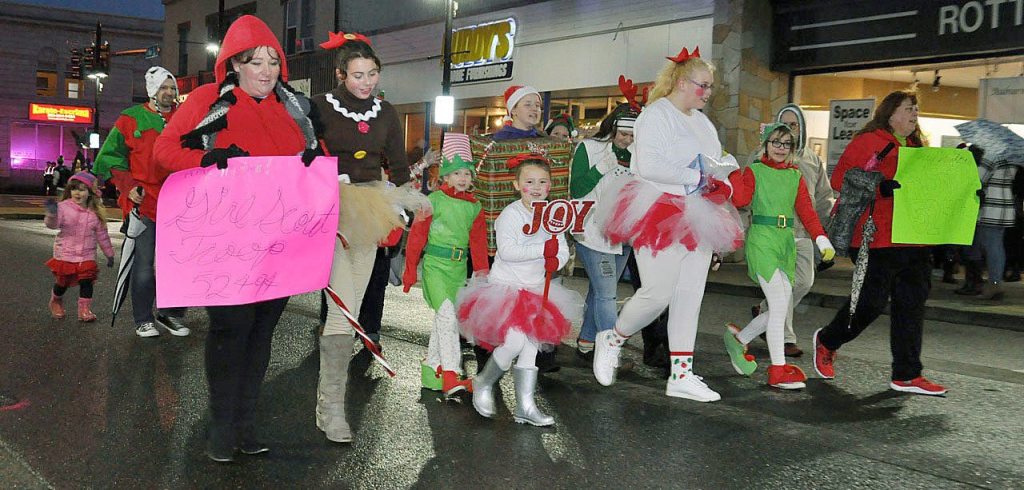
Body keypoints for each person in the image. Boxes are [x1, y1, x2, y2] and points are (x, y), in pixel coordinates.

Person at [153, 15, 321, 462]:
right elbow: (165, 151)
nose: (265, 71)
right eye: (254, 61)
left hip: (278, 248)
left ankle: (246, 423)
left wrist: (313, 162)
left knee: (262, 334)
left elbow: (318, 164)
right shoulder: (213, 100)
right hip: (226, 245)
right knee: (231, 331)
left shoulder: (294, 107)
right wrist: (208, 156)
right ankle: (221, 425)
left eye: (272, 61)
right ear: (233, 64)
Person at [589, 46, 743, 402]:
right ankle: (613, 336)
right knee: (656, 294)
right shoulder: (657, 114)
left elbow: (717, 162)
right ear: (682, 82)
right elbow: (649, 166)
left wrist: (726, 181)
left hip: (697, 211)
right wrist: (699, 178)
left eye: (710, 87)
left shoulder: (703, 122)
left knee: (691, 296)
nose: (707, 93)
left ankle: (681, 375)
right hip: (657, 209)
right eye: (703, 85)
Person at [311, 31, 426, 444]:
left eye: (372, 74)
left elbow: (397, 164)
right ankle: (333, 408)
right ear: (341, 74)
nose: (366, 82)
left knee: (352, 307)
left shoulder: (388, 112)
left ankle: (328, 404)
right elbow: (303, 152)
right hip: (328, 207)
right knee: (342, 308)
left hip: (369, 208)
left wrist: (402, 206)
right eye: (357, 75)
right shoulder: (320, 107)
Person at [812, 90, 947, 396]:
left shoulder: (917, 146)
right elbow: (840, 178)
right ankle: (828, 341)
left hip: (914, 239)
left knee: (911, 307)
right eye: (908, 108)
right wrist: (878, 185)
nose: (914, 114)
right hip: (875, 237)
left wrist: (962, 191)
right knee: (870, 303)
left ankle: (907, 374)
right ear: (890, 113)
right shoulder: (870, 141)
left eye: (916, 109)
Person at [457, 154, 581, 426]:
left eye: (543, 182)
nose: (536, 187)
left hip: (537, 290)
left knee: (531, 347)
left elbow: (561, 249)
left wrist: (556, 259)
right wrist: (542, 250)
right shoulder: (510, 215)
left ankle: (525, 405)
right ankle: (483, 382)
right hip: (508, 290)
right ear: (516, 185)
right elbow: (509, 252)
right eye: (529, 181)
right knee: (513, 341)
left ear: (550, 186)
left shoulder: (553, 215)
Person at [723, 124, 835, 389]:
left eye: (786, 144)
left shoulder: (795, 176)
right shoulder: (755, 170)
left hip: (785, 243)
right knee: (778, 304)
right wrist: (732, 172)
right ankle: (777, 369)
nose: (781, 148)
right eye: (776, 142)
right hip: (762, 240)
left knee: (780, 308)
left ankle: (739, 340)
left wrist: (821, 238)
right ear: (765, 144)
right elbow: (739, 200)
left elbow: (807, 212)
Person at [93, 66, 190, 338]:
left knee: (179, 264)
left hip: (180, 204)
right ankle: (143, 318)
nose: (169, 93)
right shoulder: (131, 119)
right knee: (144, 265)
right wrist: (129, 186)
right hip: (145, 203)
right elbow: (110, 157)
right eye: (163, 88)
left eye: (172, 88)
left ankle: (171, 314)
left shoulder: (184, 119)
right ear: (152, 91)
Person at [744, 104, 835, 357]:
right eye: (784, 126)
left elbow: (822, 198)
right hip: (771, 235)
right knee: (782, 290)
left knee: (803, 283)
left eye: (794, 126)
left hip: (802, 234)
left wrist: (823, 235)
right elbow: (745, 196)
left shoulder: (812, 160)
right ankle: (783, 344)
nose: (787, 136)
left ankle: (760, 316)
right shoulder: (759, 158)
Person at [403, 136, 489, 394]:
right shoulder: (433, 202)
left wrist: (481, 274)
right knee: (448, 317)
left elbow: (478, 243)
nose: (463, 178)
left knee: (444, 319)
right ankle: (452, 375)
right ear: (446, 177)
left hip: (458, 269)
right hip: (435, 268)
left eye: (467, 173)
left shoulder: (475, 207)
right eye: (456, 173)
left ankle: (432, 370)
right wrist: (409, 272)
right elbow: (416, 238)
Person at [569, 104, 637, 360]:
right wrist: (599, 170)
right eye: (623, 135)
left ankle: (587, 341)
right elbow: (576, 190)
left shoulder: (639, 155)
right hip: (593, 232)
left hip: (625, 235)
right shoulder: (589, 148)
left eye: (633, 136)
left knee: (600, 291)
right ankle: (610, 354)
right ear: (612, 128)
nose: (628, 141)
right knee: (608, 294)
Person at [43, 172, 115, 322]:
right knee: (62, 283)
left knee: (87, 281)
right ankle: (56, 301)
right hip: (66, 254)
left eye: (82, 189)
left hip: (87, 255)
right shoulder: (62, 208)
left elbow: (102, 235)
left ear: (90, 192)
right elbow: (53, 225)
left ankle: (84, 310)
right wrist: (52, 214)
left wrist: (109, 254)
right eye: (74, 188)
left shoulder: (95, 213)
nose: (77, 192)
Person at [955, 146, 1017, 301]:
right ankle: (994, 282)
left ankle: (994, 284)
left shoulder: (991, 154)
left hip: (991, 206)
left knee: (990, 246)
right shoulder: (1012, 155)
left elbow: (978, 178)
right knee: (996, 245)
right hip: (1005, 204)